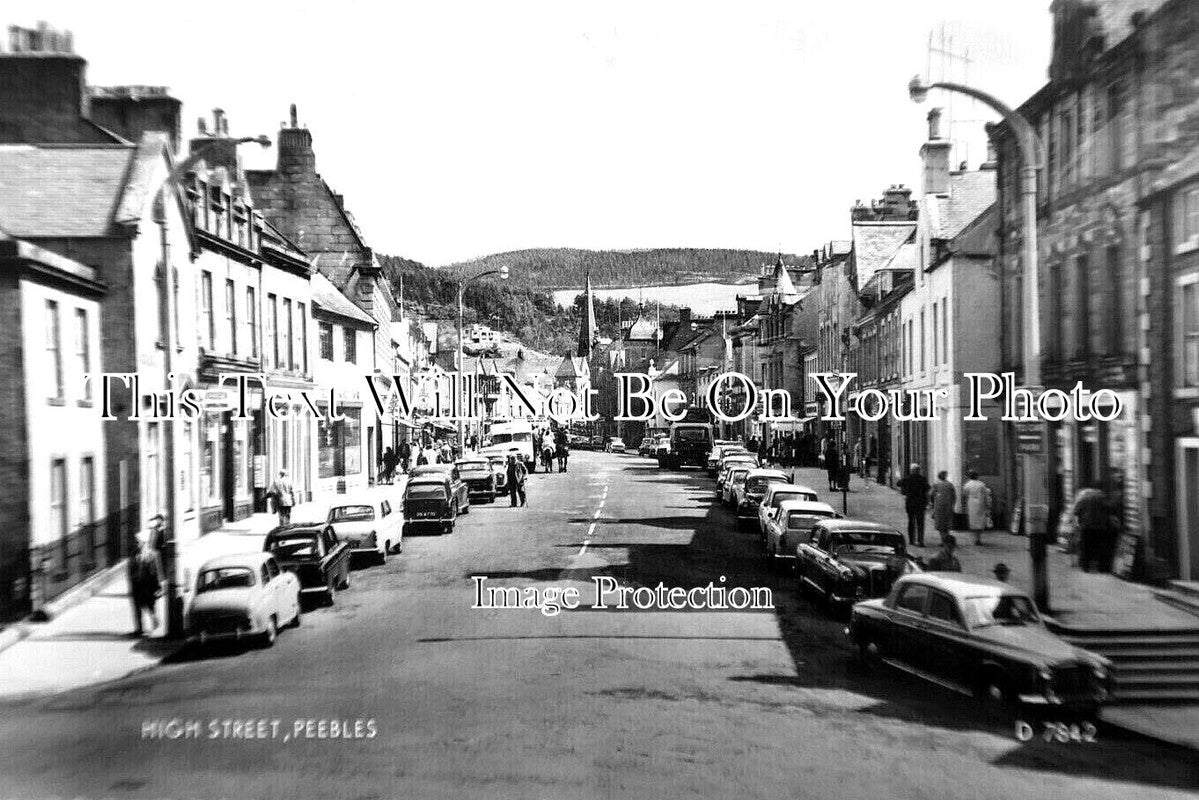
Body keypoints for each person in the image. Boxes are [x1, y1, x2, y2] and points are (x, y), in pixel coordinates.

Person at [127, 532, 163, 636]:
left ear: (144, 543)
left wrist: (158, 587)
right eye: (135, 542)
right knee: (137, 607)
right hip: (136, 585)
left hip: (148, 585)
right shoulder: (133, 554)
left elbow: (156, 572)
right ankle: (139, 629)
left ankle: (154, 623)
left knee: (149, 605)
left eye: (138, 542)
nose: (136, 544)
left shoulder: (152, 554)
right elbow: (130, 570)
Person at [1072, 483, 1109, 572]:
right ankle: (1100, 567)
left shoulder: (1084, 498)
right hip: (1100, 526)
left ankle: (1086, 566)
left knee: (1086, 546)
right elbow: (1109, 509)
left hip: (1086, 526)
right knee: (1098, 546)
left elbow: (1076, 511)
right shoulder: (1103, 498)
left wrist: (1077, 524)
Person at [898, 464, 930, 547]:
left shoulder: (908, 478)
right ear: (919, 471)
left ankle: (912, 540)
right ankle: (920, 540)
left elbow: (898, 483)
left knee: (911, 522)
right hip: (920, 503)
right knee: (920, 522)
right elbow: (927, 488)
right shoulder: (922, 479)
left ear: (911, 470)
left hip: (910, 503)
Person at [961, 471, 993, 546]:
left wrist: (964, 504)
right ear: (977, 476)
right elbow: (985, 495)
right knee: (980, 520)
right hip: (980, 503)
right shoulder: (981, 484)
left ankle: (976, 538)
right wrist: (987, 504)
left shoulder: (967, 484)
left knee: (973, 520)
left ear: (969, 477)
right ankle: (978, 538)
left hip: (971, 503)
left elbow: (964, 494)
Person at [929, 471, 957, 545]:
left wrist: (932, 504)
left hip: (938, 506)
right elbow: (954, 496)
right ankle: (947, 539)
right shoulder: (950, 485)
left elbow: (931, 495)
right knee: (946, 524)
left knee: (940, 524)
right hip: (948, 506)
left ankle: (943, 540)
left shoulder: (936, 485)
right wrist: (952, 504)